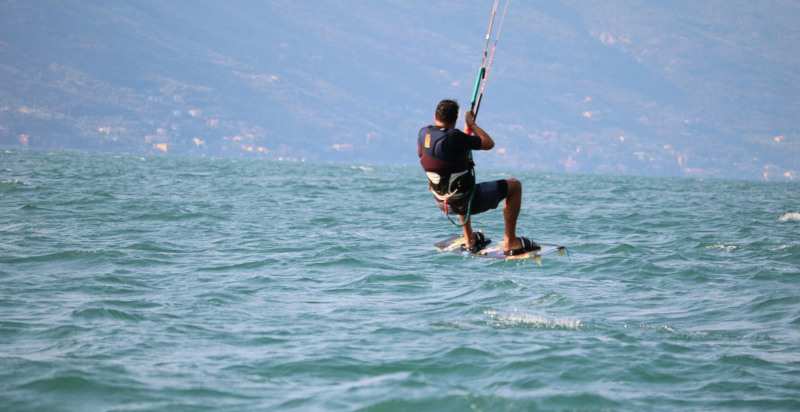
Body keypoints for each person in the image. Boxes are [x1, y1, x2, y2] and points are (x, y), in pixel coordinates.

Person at [418, 99, 540, 255]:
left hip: (442, 203)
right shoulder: (455, 137)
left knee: (458, 185)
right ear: (455, 119)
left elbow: (442, 151)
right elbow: (488, 143)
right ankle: (511, 241)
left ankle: (470, 238)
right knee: (515, 185)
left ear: (435, 115)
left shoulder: (424, 134)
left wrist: (463, 138)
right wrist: (472, 124)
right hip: (467, 202)